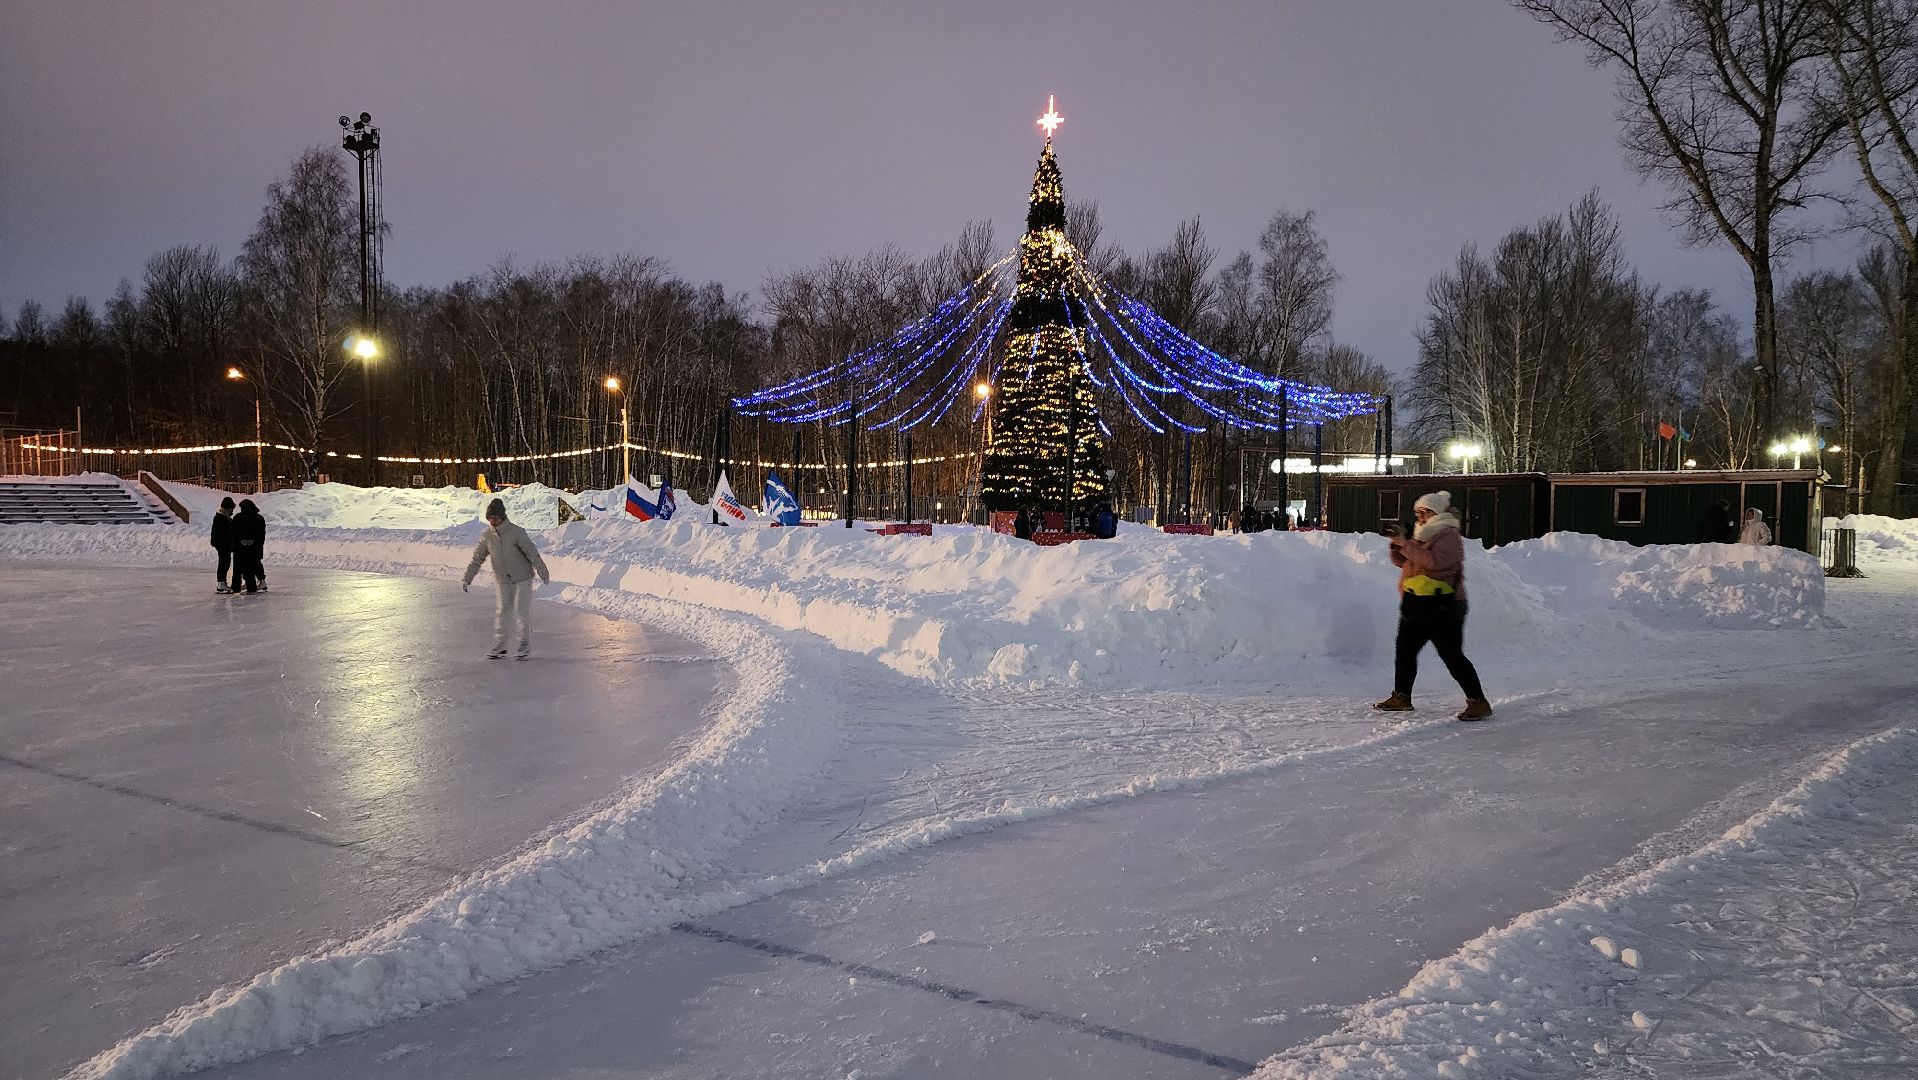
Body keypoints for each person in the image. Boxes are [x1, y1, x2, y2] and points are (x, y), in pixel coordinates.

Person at [1374, 490, 1492, 721]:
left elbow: (1436, 563)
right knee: (1405, 650)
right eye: (1417, 512)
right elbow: (1406, 563)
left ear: (1435, 513)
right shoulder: (1422, 534)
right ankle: (1401, 696)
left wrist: (1406, 545)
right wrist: (1397, 545)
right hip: (1416, 600)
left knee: (1451, 654)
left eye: (1424, 512)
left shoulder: (1448, 535)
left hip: (1444, 604)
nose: (1419, 516)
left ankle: (1478, 701)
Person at [462, 497, 552, 659]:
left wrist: (542, 571)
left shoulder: (516, 532)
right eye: (490, 518)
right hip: (503, 580)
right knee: (502, 612)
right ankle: (501, 645)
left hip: (522, 578)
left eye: (495, 518)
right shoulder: (487, 536)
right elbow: (477, 558)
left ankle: (524, 644)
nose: (492, 521)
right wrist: (467, 578)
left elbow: (532, 553)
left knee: (520, 611)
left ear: (502, 517)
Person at [231, 499, 267, 594]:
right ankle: (251, 586)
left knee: (238, 568)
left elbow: (234, 533)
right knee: (250, 568)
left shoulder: (238, 517)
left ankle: (236, 587)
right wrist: (254, 542)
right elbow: (261, 534)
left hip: (240, 548)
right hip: (254, 548)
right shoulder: (259, 518)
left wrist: (240, 542)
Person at [210, 496, 237, 593]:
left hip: (223, 543)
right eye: (231, 509)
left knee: (225, 562)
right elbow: (224, 533)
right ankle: (221, 582)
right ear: (227, 508)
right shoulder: (222, 518)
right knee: (224, 563)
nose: (232, 511)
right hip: (222, 544)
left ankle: (222, 582)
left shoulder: (223, 516)